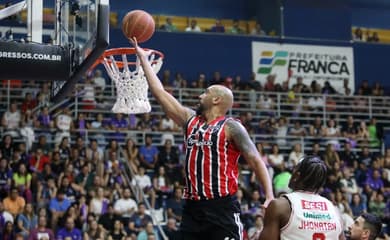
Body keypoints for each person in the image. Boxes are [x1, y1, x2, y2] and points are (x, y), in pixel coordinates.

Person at [131, 37, 273, 240]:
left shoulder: (231, 126)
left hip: (221, 208)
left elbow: (256, 160)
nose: (199, 96)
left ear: (216, 100)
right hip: (192, 209)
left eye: (205, 93)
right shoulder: (190, 119)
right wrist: (143, 59)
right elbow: (160, 93)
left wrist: (269, 195)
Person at [259, 156, 345, 240]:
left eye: (294, 169)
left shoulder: (280, 206)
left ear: (297, 176)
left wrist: (266, 221)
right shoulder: (335, 211)